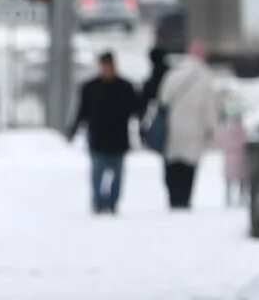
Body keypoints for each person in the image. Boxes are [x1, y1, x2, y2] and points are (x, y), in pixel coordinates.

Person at [153, 40, 226, 209]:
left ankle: (173, 199)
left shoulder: (173, 74)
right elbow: (210, 108)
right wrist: (213, 129)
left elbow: (163, 99)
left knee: (172, 165)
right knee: (188, 167)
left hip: (172, 129)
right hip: (194, 130)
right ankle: (184, 200)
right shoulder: (205, 78)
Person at [67, 51, 141, 214]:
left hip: (118, 138)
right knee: (97, 174)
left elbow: (136, 110)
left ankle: (112, 202)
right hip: (97, 138)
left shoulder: (125, 87)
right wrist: (74, 129)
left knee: (117, 175)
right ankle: (98, 202)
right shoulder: (90, 88)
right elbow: (82, 111)